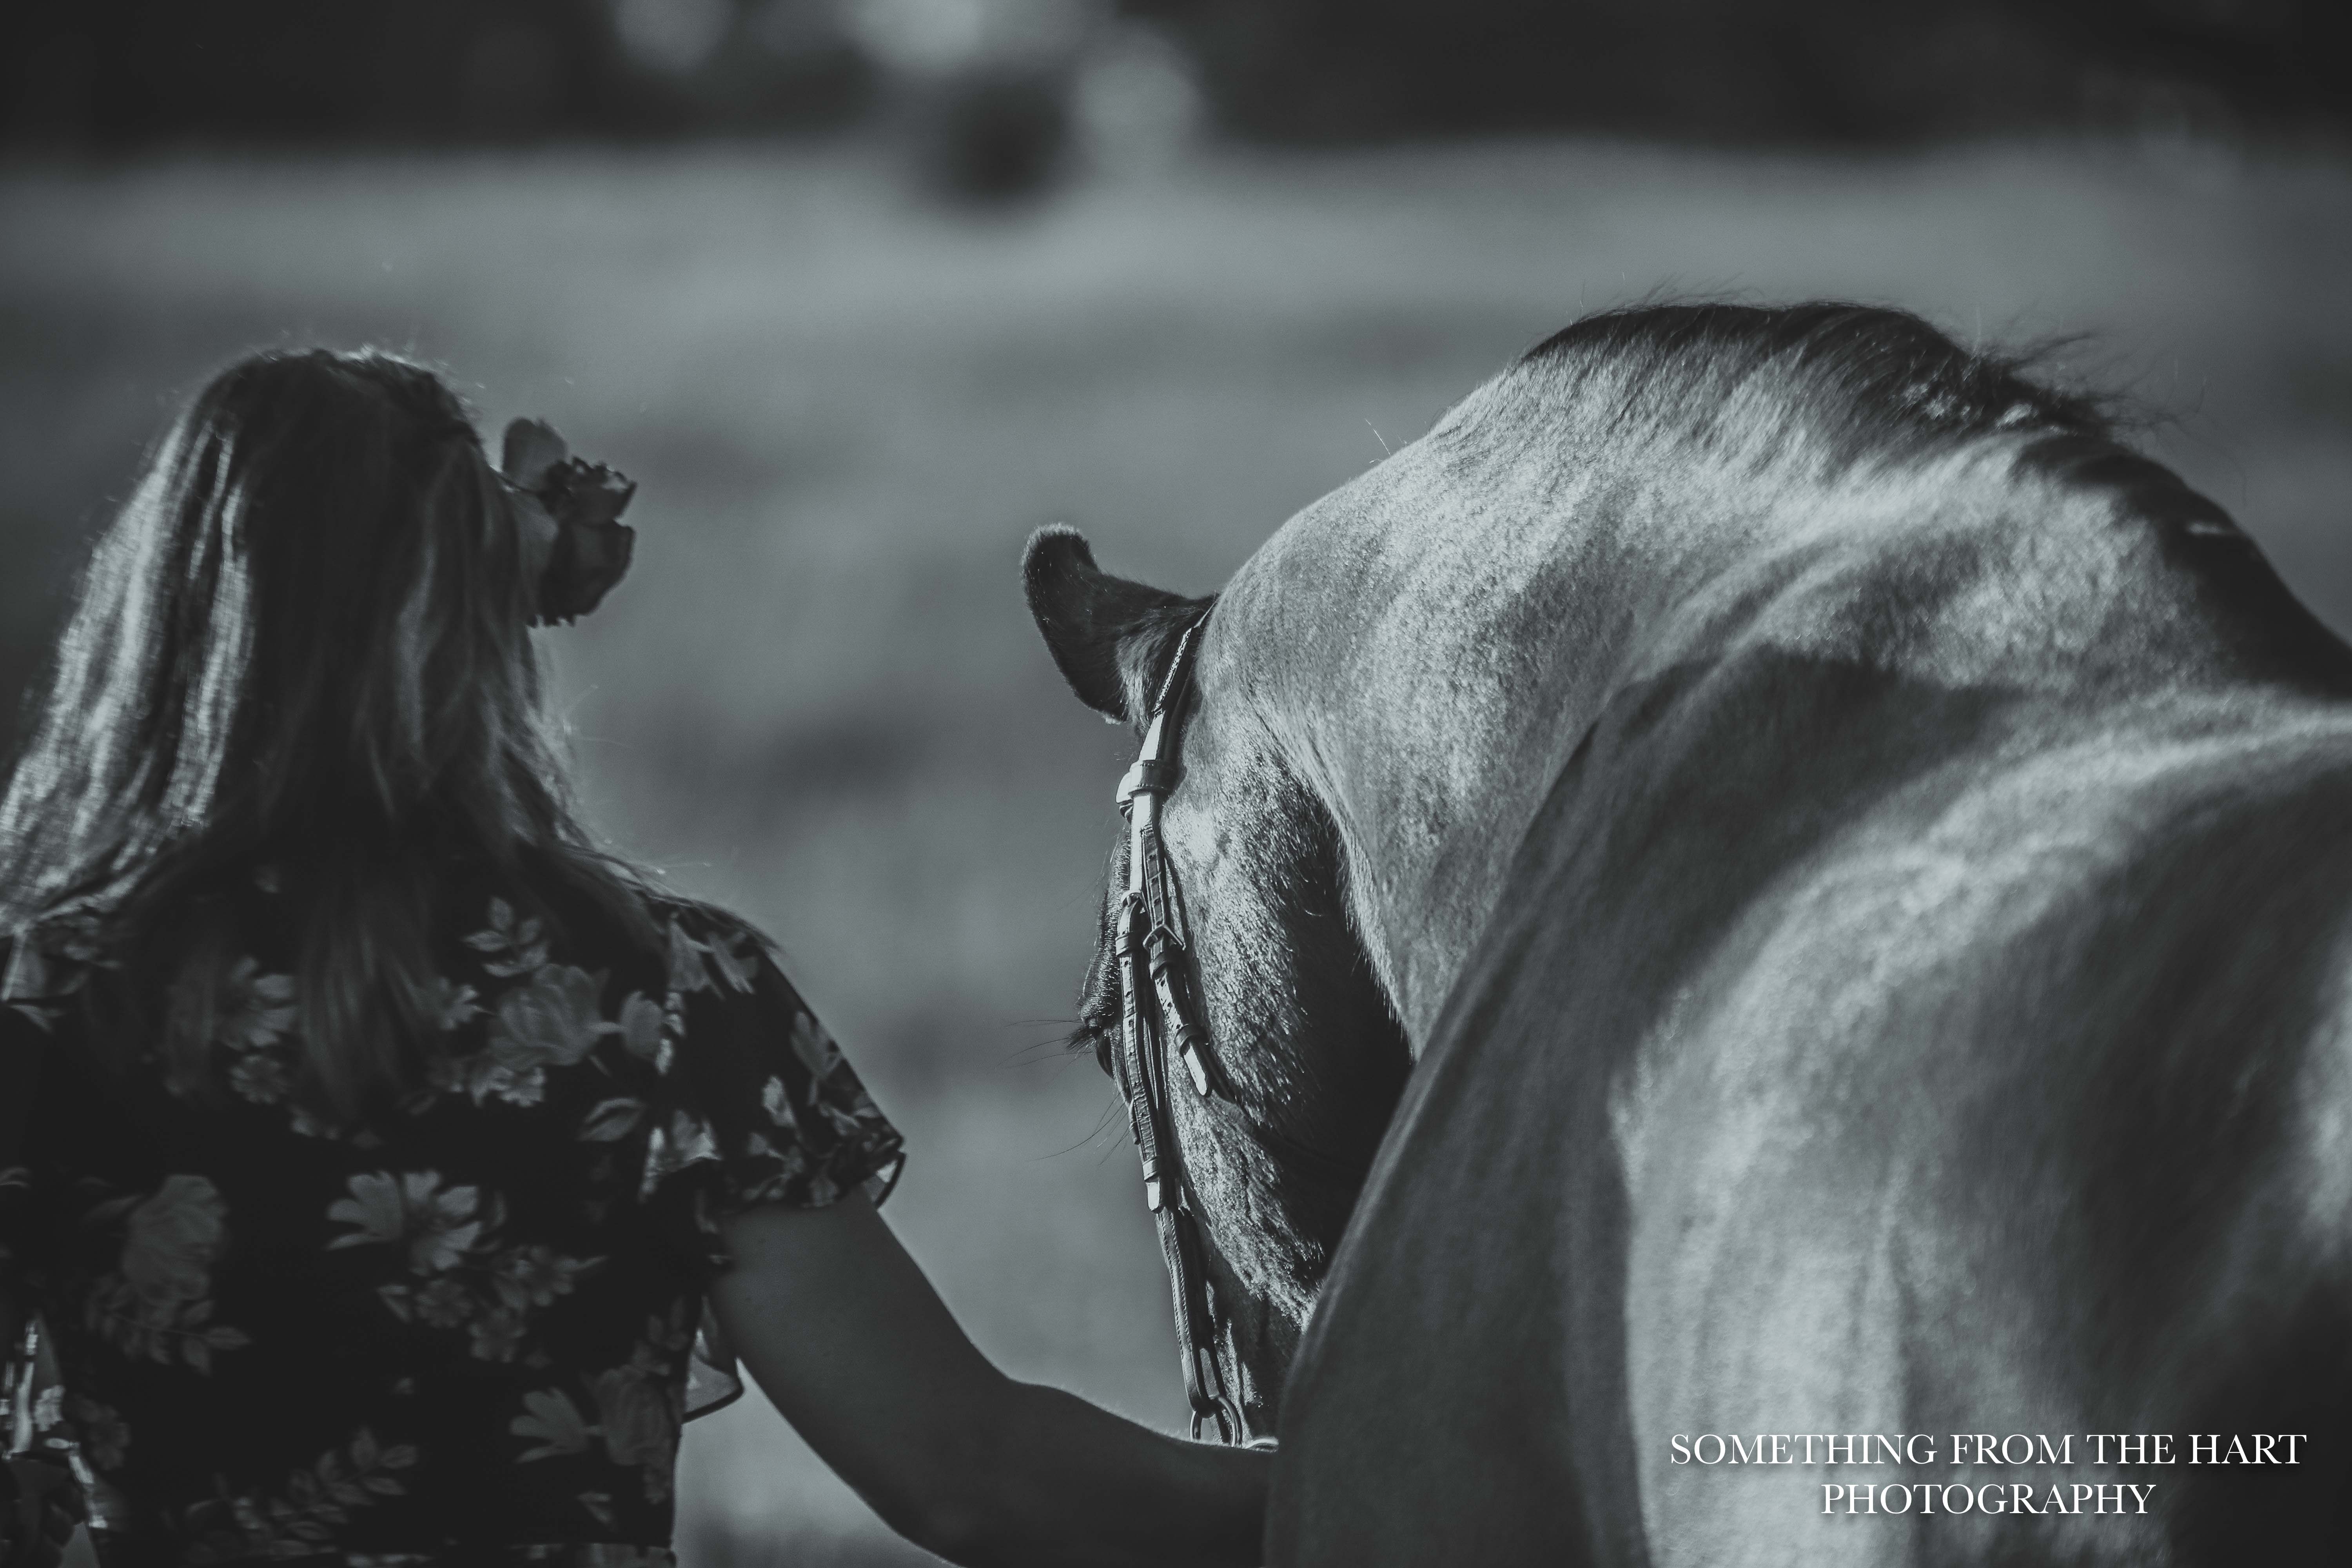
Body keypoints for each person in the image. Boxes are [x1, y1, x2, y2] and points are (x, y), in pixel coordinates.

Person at [0, 349, 1270, 1568]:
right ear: (477, 620)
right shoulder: (657, 998)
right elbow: (970, 1477)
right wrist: (1342, 1480)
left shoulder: (50, 1000)